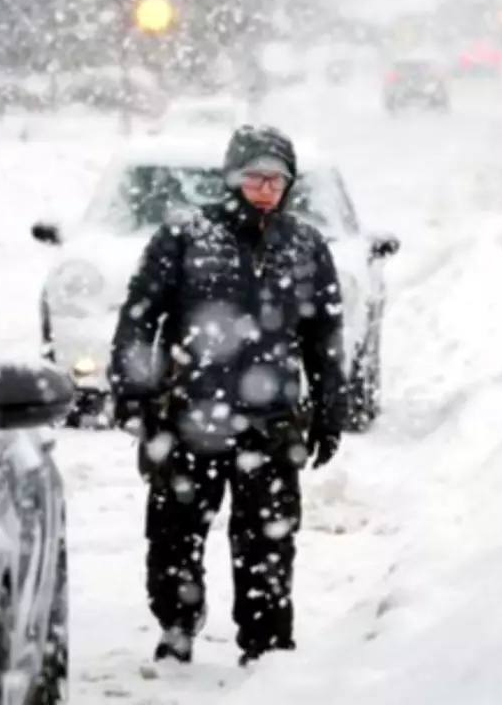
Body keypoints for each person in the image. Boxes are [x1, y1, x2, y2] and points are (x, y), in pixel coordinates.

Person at [108, 125, 346, 667]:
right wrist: (135, 391)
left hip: (273, 423)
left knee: (269, 541)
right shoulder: (185, 236)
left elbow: (324, 337)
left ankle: (265, 646)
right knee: (174, 535)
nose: (266, 187)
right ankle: (176, 624)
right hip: (189, 417)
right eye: (255, 176)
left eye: (277, 178)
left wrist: (331, 410)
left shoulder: (306, 247)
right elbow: (140, 316)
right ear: (233, 177)